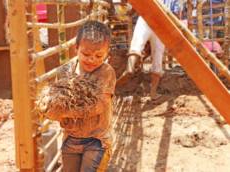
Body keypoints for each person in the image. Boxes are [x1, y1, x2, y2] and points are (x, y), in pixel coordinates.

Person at [44, 21, 116, 172]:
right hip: (70, 139)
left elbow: (98, 107)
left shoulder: (106, 72)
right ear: (76, 48)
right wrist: (49, 108)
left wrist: (64, 112)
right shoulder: (65, 71)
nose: (92, 59)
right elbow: (53, 105)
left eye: (99, 55)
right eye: (86, 54)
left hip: (97, 140)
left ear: (107, 53)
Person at [121, 0, 181, 100]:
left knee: (137, 43)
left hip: (146, 19)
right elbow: (175, 15)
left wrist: (130, 9)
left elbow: (133, 10)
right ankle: (153, 93)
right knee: (157, 56)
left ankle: (129, 69)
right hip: (161, 24)